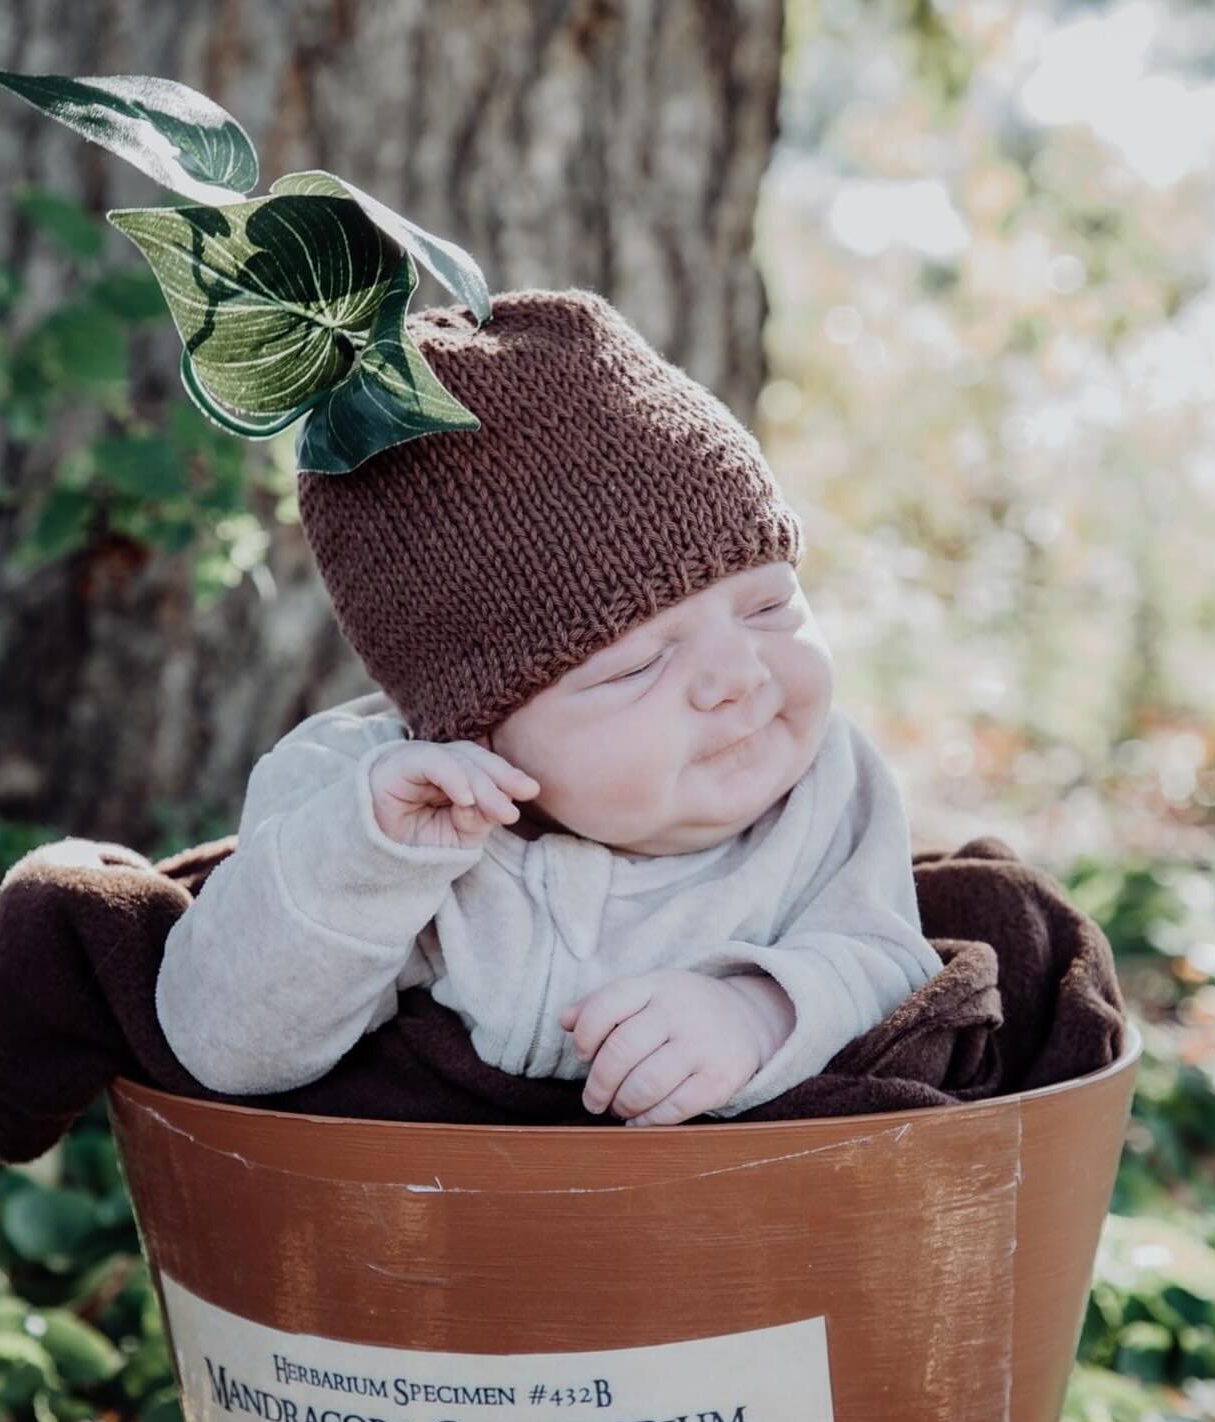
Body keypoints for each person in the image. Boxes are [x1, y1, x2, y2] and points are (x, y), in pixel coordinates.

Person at [155, 288, 943, 1125]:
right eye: (638, 665)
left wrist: (761, 1012)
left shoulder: (826, 787)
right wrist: (367, 864)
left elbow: (891, 961)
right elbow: (224, 1048)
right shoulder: (372, 808)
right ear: (479, 725)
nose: (738, 677)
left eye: (769, 607)